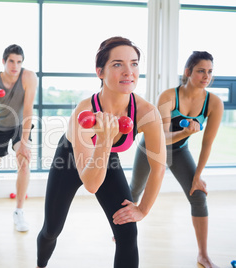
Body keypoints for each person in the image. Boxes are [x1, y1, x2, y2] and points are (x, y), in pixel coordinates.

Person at [36, 36, 166, 268]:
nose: (129, 71)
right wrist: (105, 139)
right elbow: (91, 184)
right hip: (68, 161)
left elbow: (158, 167)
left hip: (107, 158)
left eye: (134, 63)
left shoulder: (146, 112)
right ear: (100, 72)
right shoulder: (84, 112)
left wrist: (143, 209)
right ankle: (40, 264)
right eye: (117, 64)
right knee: (51, 229)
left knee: (127, 233)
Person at [130, 51, 223, 268]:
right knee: (134, 191)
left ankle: (203, 255)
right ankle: (122, 232)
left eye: (210, 72)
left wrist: (198, 176)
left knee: (198, 195)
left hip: (180, 152)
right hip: (151, 149)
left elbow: (207, 144)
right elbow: (160, 139)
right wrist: (186, 133)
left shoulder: (214, 103)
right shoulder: (169, 96)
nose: (206, 76)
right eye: (201, 71)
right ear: (188, 72)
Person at [0, 44, 37, 232]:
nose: (15, 66)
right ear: (4, 62)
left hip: (20, 125)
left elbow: (29, 109)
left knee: (24, 162)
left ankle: (19, 212)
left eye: (19, 62)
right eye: (11, 61)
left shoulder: (29, 77)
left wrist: (24, 142)